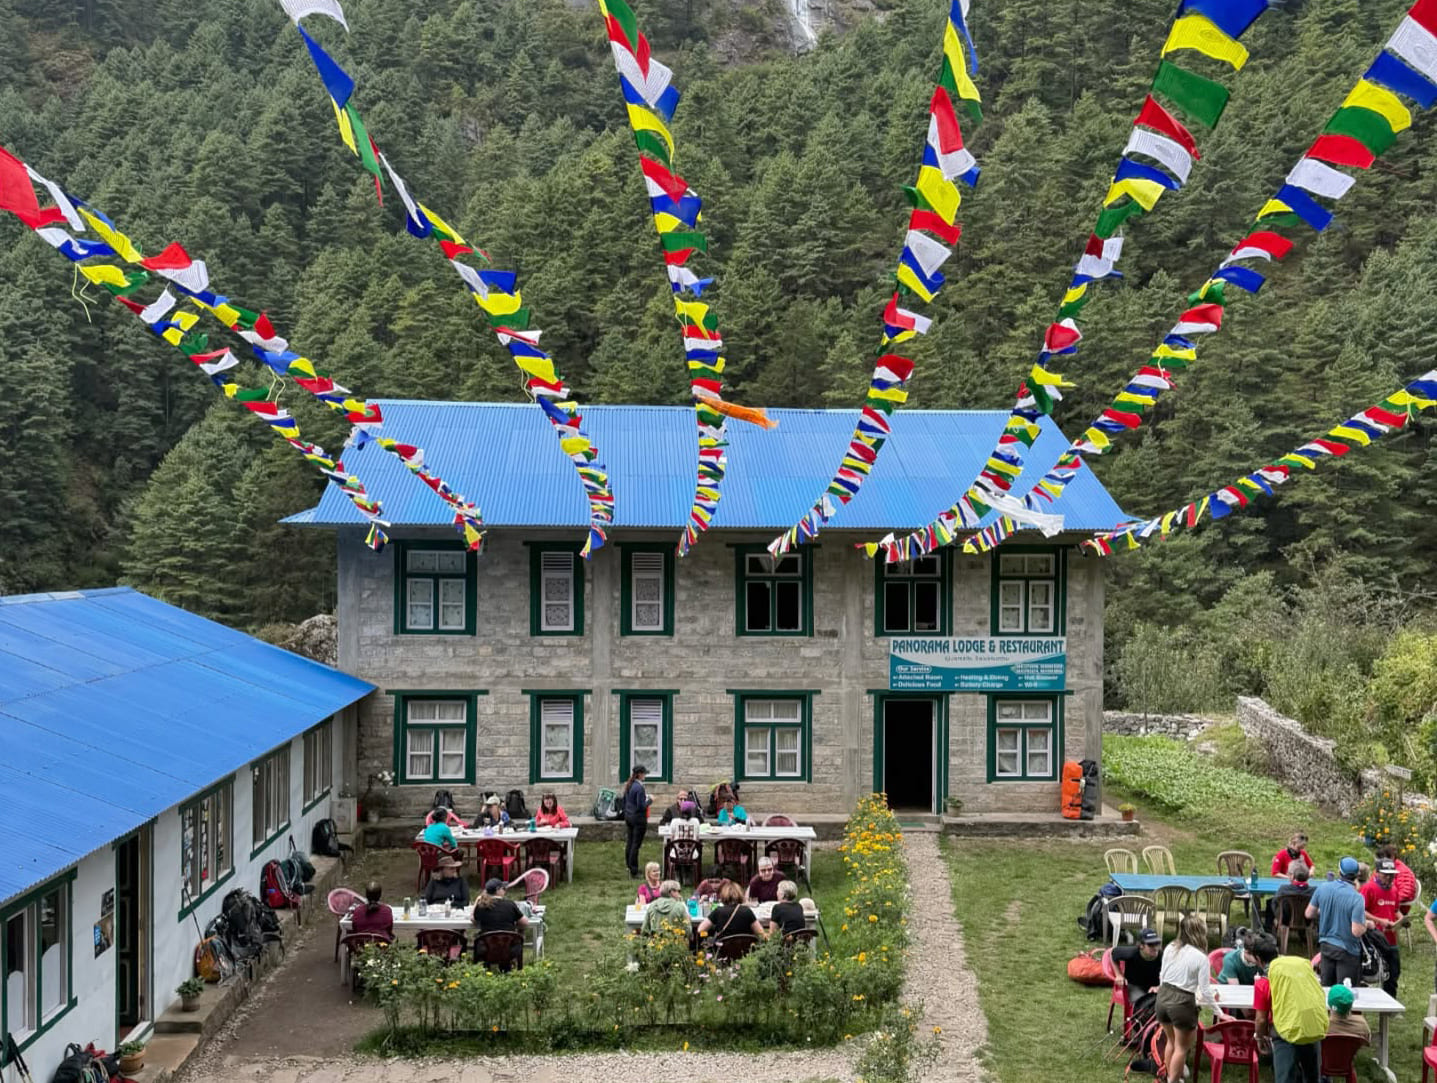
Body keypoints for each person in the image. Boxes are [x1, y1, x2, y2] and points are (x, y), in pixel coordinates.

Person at [1250, 935, 1326, 1083]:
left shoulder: (1264, 982)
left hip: (1285, 1034)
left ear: (1258, 959)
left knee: (1285, 1078)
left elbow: (1261, 1019)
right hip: (1312, 1026)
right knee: (1312, 1077)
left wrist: (1259, 1038)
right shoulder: (1299, 966)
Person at [1155, 914, 1214, 1083]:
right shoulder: (1201, 958)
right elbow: (1205, 990)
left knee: (1171, 1042)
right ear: (1200, 932)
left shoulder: (1170, 947)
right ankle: (1173, 1080)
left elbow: (1162, 975)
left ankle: (1169, 1077)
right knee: (1182, 1048)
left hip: (1163, 997)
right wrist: (1219, 1012)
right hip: (1182, 1003)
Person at [1306, 857, 1371, 987]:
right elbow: (1357, 931)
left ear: (1339, 871)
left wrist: (1325, 911)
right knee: (1344, 992)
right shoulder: (1357, 898)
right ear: (1356, 875)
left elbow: (1309, 913)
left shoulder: (1323, 888)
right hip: (1347, 950)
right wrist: (1367, 925)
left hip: (1326, 946)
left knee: (1326, 990)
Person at [1360, 857, 1402, 997]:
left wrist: (1402, 919)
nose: (1390, 878)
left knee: (1394, 970)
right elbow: (1361, 911)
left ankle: (1391, 999)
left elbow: (1395, 910)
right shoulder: (1368, 888)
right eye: (1386, 875)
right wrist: (1380, 920)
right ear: (1377, 873)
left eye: (1392, 875)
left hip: (1391, 936)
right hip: (1374, 935)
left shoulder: (1394, 890)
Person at [471, 877, 527, 970]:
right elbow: (525, 922)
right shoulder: (509, 904)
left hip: (486, 948)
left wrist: (477, 901)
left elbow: (473, 919)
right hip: (509, 948)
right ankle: (507, 969)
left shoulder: (482, 906)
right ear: (498, 890)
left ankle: (485, 968)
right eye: (503, 888)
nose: (505, 891)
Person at [1112, 929, 1164, 1022]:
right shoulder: (1131, 953)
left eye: (1157, 943)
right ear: (1141, 945)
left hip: (1153, 987)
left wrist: (1159, 986)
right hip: (1134, 986)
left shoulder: (1162, 956)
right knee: (1142, 1007)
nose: (1155, 947)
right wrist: (1118, 974)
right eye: (1150, 945)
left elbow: (1170, 974)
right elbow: (1113, 953)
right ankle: (1142, 1030)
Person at [697, 880, 767, 942]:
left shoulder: (718, 911)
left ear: (723, 895)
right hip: (746, 953)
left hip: (723, 952)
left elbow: (700, 929)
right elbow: (762, 935)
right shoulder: (747, 911)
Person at [622, 765, 652, 879]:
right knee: (636, 844)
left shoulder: (630, 785)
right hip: (638, 819)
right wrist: (650, 800)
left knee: (630, 842)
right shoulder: (639, 788)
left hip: (629, 816)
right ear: (639, 774)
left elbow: (625, 800)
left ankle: (629, 866)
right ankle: (634, 870)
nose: (645, 776)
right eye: (644, 774)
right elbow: (641, 806)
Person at [1267, 863, 1314, 927]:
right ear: (1308, 877)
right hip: (1307, 920)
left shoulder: (1283, 889)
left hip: (1286, 920)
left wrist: (1278, 916)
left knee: (1271, 902)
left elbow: (1274, 903)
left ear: (1293, 876)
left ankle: (1269, 927)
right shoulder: (1313, 891)